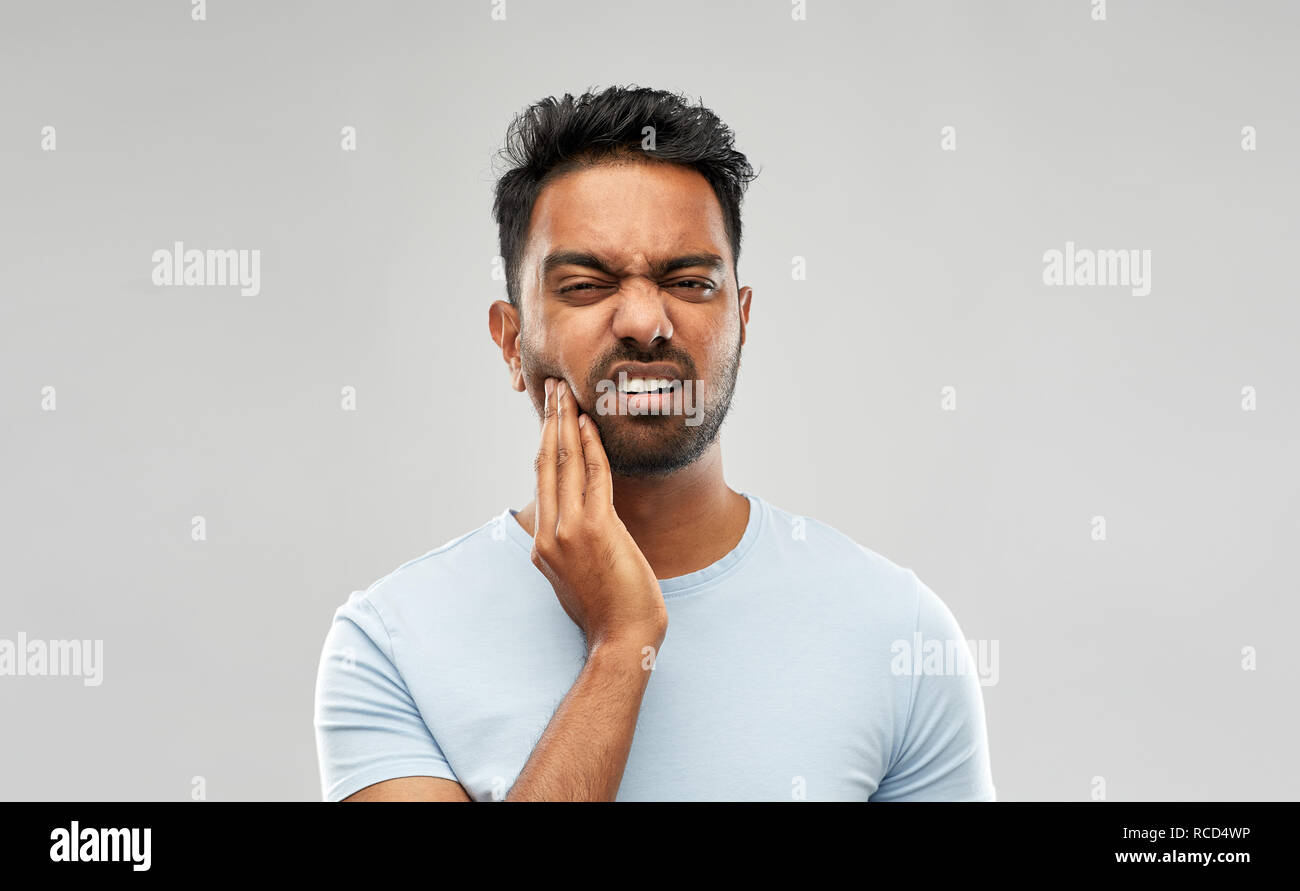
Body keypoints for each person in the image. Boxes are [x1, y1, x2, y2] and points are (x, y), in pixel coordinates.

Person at [313, 85, 995, 802]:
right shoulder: (390, 644)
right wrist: (620, 644)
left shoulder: (899, 632)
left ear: (742, 318)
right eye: (584, 285)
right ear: (512, 343)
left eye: (690, 282)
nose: (644, 320)